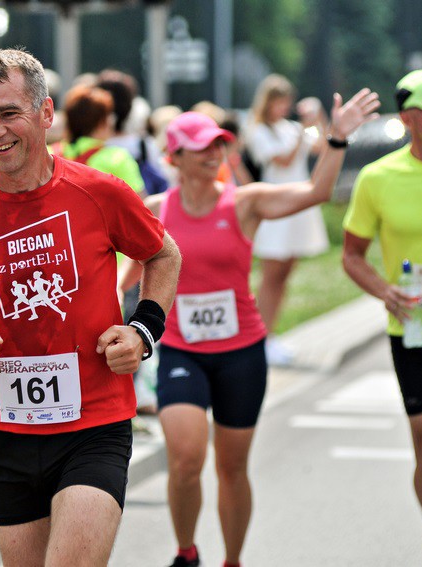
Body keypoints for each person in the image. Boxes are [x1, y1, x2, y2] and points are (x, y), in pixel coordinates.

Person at [0, 48, 181, 566]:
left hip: (93, 425)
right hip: (5, 431)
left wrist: (143, 330)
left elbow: (162, 253)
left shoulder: (98, 192)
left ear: (46, 114)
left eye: (10, 113)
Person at [120, 90, 379, 567]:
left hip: (241, 351)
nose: (215, 153)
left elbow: (316, 193)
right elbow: (129, 277)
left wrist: (337, 137)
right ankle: (186, 552)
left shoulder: (245, 202)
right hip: (181, 349)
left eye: (220, 145)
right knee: (185, 458)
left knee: (232, 467)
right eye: (203, 147)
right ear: (174, 157)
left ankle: (233, 560)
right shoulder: (156, 210)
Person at [343, 69, 422, 567]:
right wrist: (384, 291)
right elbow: (351, 255)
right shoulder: (378, 178)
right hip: (412, 332)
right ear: (409, 119)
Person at [245, 74, 331, 365]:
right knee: (271, 275)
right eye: (278, 102)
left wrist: (318, 117)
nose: (283, 108)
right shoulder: (259, 130)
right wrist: (301, 133)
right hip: (274, 206)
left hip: (296, 204)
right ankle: (260, 335)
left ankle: (270, 333)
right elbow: (281, 160)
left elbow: (323, 145)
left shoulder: (291, 128)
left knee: (285, 274)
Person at [53, 84, 145, 193]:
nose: (112, 120)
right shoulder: (117, 158)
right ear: (101, 122)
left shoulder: (50, 154)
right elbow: (139, 201)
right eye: (109, 115)